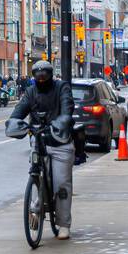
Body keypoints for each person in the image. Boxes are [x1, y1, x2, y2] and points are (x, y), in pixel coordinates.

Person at [7, 59, 76, 238]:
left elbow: (67, 109)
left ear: (51, 75)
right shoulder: (30, 92)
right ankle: (35, 209)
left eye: (45, 75)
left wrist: (60, 122)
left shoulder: (62, 88)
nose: (41, 79)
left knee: (61, 184)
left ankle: (63, 224)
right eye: (38, 76)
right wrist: (14, 123)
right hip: (39, 141)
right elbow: (19, 110)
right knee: (35, 175)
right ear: (34, 77)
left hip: (60, 142)